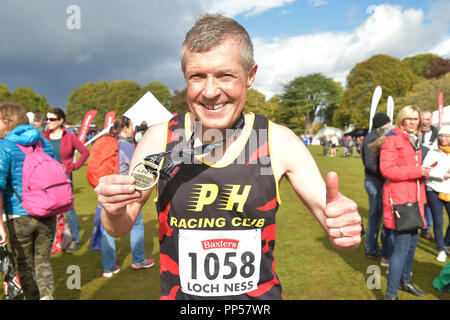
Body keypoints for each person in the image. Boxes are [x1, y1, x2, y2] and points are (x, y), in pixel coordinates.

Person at [95, 13, 361, 300]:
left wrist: (345, 228)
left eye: (225, 75)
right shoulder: (160, 139)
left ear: (250, 75)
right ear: (185, 75)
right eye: (198, 76)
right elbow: (120, 226)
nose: (210, 92)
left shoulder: (278, 141)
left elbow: (339, 229)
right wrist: (113, 210)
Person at [0, 104, 57, 299]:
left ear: (7, 122)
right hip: (48, 212)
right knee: (42, 261)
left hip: (18, 214)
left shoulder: (4, 146)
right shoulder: (44, 143)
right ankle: (46, 296)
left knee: (24, 264)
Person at [379, 105, 430, 300]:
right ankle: (391, 294)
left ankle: (405, 281)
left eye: (415, 119)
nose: (412, 122)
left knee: (412, 244)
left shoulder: (414, 140)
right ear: (401, 119)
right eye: (409, 118)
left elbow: (410, 168)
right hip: (400, 199)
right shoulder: (392, 139)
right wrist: (417, 172)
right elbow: (387, 170)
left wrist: (423, 172)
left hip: (415, 198)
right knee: (401, 247)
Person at [99, 116, 155, 278]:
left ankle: (108, 267)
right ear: (125, 128)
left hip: (105, 190)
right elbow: (140, 171)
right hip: (126, 193)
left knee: (107, 228)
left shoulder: (107, 144)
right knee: (136, 224)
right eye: (131, 127)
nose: (132, 130)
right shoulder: (129, 148)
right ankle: (138, 259)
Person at [43, 108, 90, 252]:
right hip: (47, 180)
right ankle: (55, 241)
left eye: (52, 119)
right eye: (47, 119)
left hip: (64, 180)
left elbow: (85, 152)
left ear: (60, 120)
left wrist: (73, 166)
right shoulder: (44, 137)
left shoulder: (69, 137)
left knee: (69, 211)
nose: (48, 122)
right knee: (49, 212)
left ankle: (75, 239)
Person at [361, 113, 394, 267]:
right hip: (374, 181)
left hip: (377, 180)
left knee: (377, 215)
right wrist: (386, 172)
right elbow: (370, 164)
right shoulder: (371, 138)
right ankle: (371, 247)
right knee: (375, 216)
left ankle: (373, 246)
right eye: (388, 123)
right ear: (383, 124)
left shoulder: (376, 136)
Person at [422, 125, 450, 262]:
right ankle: (441, 249)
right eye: (442, 136)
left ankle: (447, 242)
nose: (444, 139)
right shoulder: (433, 151)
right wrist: (442, 175)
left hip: (449, 190)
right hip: (433, 188)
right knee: (438, 220)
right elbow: (426, 169)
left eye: (447, 136)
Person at [420, 109, 438, 241]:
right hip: (416, 170)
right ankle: (414, 225)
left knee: (430, 203)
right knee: (417, 201)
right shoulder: (414, 132)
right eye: (423, 118)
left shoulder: (437, 133)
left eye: (427, 119)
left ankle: (426, 229)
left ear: (431, 120)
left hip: (432, 172)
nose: (425, 121)